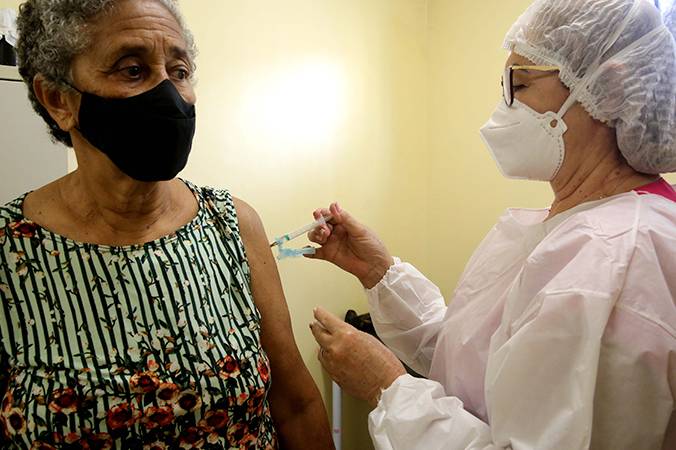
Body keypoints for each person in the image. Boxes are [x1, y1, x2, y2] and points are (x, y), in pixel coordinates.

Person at [308, 0, 676, 448]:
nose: (503, 109)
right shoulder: (572, 230)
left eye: (519, 84)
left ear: (611, 87)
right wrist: (380, 274)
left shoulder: (617, 257)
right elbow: (473, 361)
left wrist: (385, 386)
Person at [0, 0, 334, 448]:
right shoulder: (9, 251)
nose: (169, 95)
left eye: (179, 71)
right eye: (132, 70)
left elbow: (296, 405)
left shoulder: (232, 224)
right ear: (59, 99)